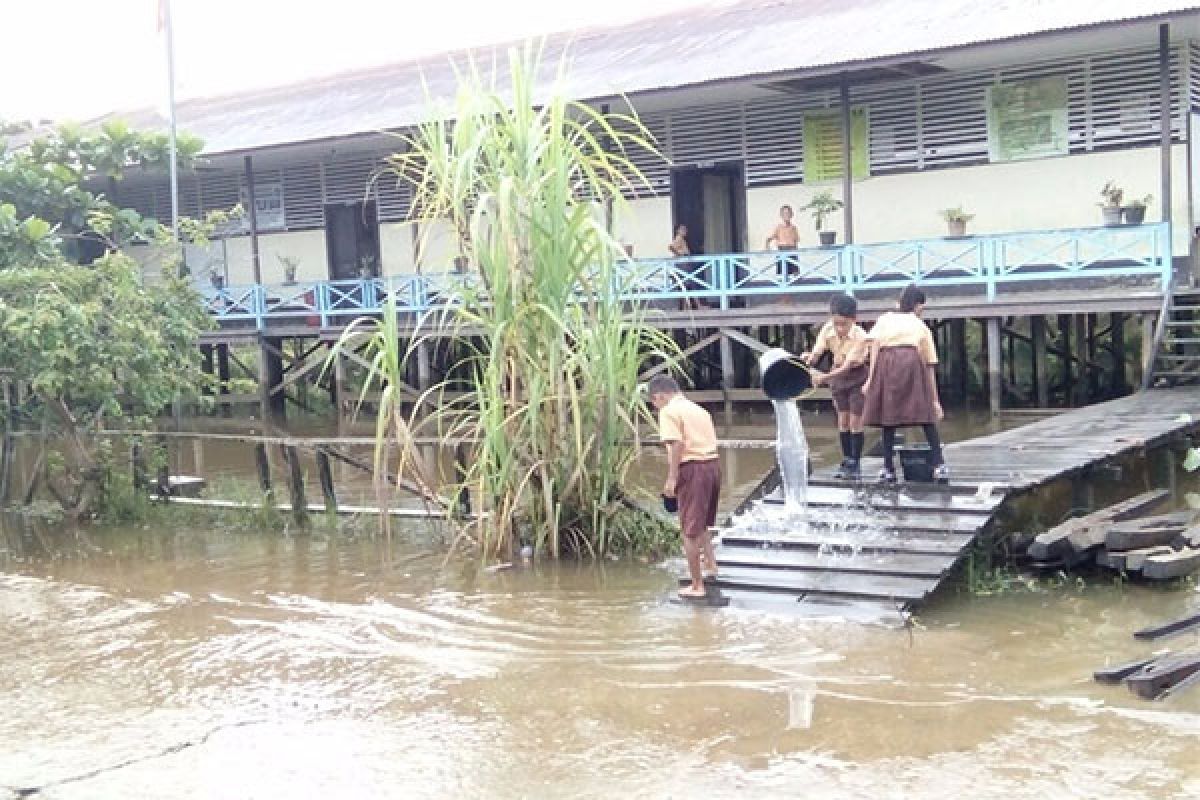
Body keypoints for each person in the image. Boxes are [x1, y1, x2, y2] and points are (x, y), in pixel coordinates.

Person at [862, 284, 948, 484]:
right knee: (925, 414)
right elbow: (929, 364)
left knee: (888, 418)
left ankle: (888, 468)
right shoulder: (919, 325)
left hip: (887, 362)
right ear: (918, 306)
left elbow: (875, 347)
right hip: (911, 361)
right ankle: (939, 464)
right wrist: (935, 401)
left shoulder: (885, 319)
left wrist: (870, 379)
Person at [648, 374, 721, 598]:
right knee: (702, 523)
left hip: (693, 468)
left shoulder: (669, 411)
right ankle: (710, 565)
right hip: (712, 465)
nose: (655, 406)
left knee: (689, 530)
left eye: (654, 401)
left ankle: (697, 585)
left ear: (659, 395)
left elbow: (677, 443)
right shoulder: (698, 410)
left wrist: (672, 477)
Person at [803, 293, 869, 480]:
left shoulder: (860, 336)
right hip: (838, 375)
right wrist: (809, 359)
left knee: (855, 421)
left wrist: (824, 378)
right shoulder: (828, 329)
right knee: (842, 420)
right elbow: (817, 352)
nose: (839, 328)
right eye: (836, 323)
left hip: (856, 376)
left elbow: (848, 366)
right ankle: (847, 458)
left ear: (853, 320)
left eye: (844, 324)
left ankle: (855, 462)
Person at [765, 205, 800, 284]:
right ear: (781, 215)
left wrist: (796, 255)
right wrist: (767, 248)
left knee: (795, 276)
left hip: (792, 251)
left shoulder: (794, 228)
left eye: (788, 213)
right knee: (782, 277)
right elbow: (768, 239)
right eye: (784, 214)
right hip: (782, 251)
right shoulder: (778, 227)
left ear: (792, 215)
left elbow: (796, 241)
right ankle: (784, 295)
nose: (786, 215)